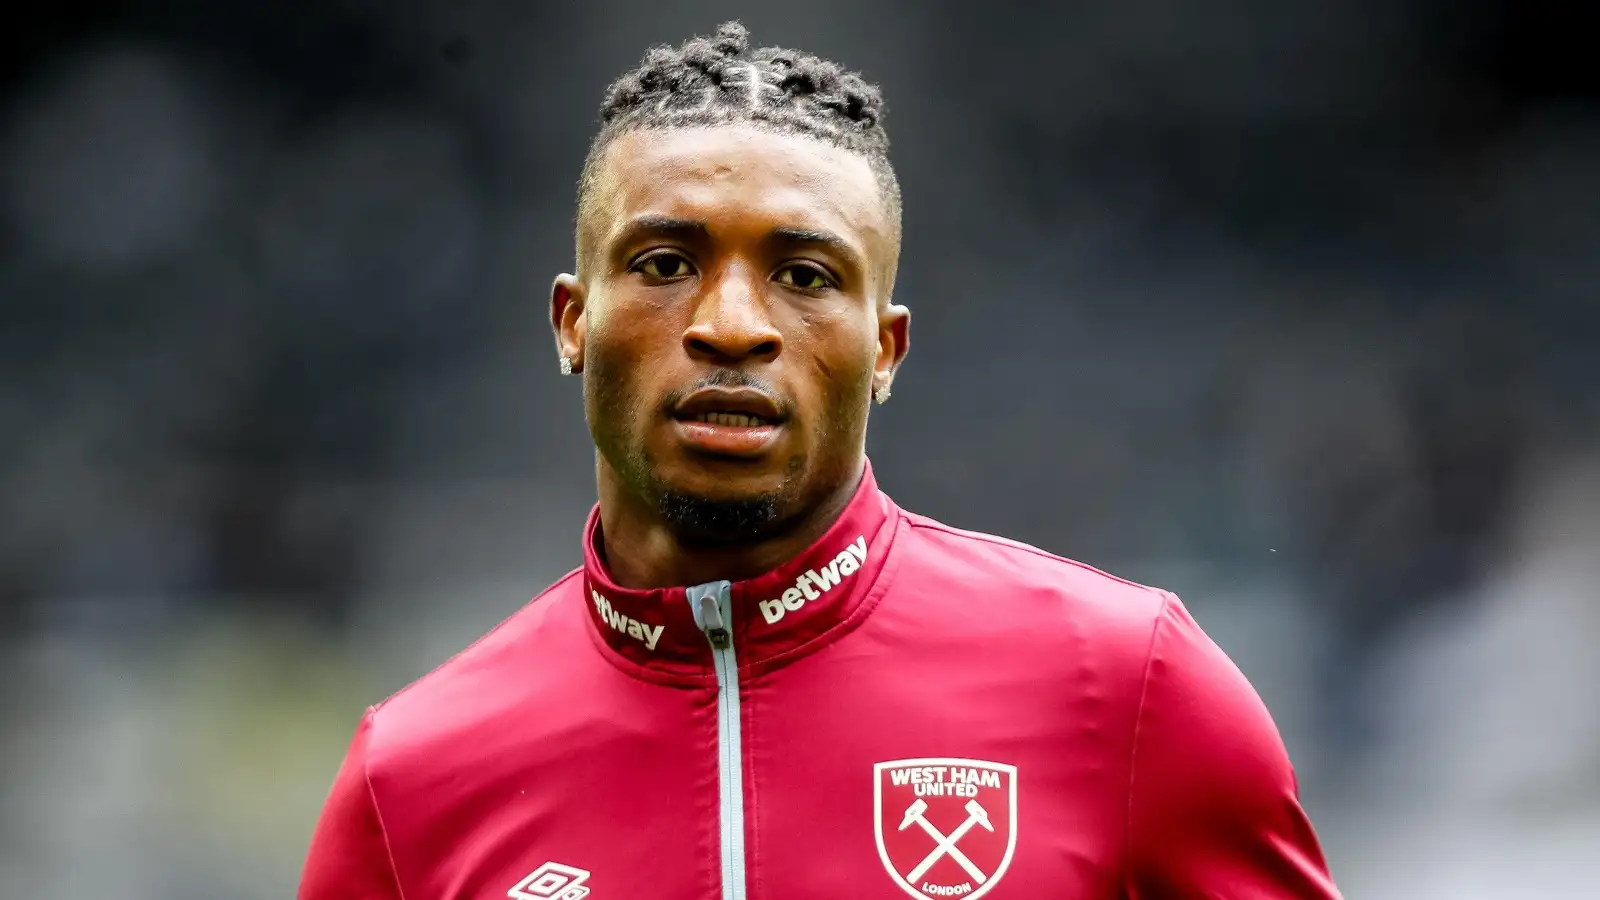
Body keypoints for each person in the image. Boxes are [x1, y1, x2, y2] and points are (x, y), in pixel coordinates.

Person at [299, 22, 1341, 900]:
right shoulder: (412, 781)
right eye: (665, 264)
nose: (732, 325)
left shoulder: (1131, 691)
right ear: (574, 322)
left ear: (885, 348)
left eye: (803, 274)